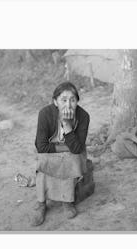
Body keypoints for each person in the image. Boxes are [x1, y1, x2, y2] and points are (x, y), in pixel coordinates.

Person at [33, 82, 90, 226]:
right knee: (44, 160)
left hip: (72, 154)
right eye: (63, 100)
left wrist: (67, 125)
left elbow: (77, 149)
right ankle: (41, 204)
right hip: (53, 152)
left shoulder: (83, 116)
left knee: (71, 159)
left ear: (77, 101)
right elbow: (40, 146)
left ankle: (67, 201)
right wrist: (65, 149)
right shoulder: (45, 114)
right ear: (55, 102)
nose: (68, 105)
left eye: (73, 100)